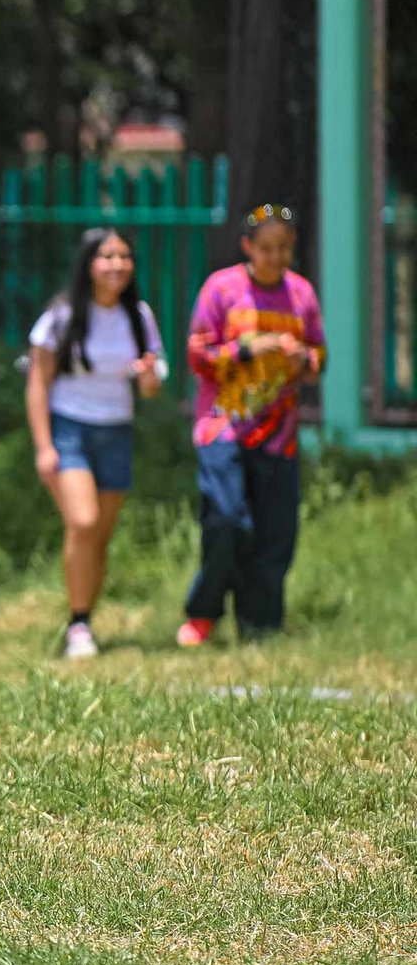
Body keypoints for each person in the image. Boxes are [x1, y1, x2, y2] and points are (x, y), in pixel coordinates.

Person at [178, 204, 325, 647]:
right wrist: (248, 349)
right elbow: (197, 355)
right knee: (226, 519)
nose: (275, 257)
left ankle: (260, 625)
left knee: (275, 532)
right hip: (222, 425)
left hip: (279, 434)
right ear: (247, 246)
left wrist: (304, 360)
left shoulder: (301, 293)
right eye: (266, 248)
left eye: (283, 248)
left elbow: (319, 357)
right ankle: (204, 612)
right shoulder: (221, 289)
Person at [25, 228, 165, 659]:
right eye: (106, 256)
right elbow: (37, 383)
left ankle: (85, 618)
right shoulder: (62, 316)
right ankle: (79, 624)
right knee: (83, 523)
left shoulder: (138, 316)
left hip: (116, 430)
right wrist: (44, 447)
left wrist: (148, 378)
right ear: (88, 264)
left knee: (99, 537)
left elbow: (151, 385)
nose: (116, 265)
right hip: (70, 428)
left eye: (124, 257)